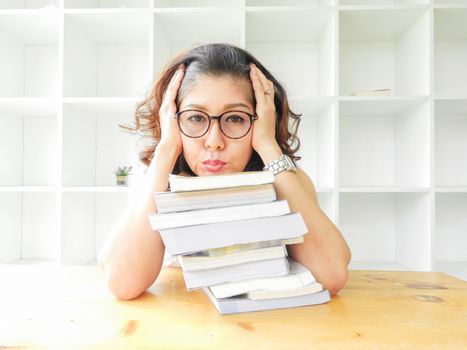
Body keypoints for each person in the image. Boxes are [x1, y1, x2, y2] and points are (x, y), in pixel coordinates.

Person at [98, 43, 351, 300]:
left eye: (234, 118)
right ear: (172, 119)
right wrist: (166, 148)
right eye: (196, 117)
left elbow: (331, 275)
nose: (214, 141)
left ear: (261, 119)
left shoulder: (285, 180)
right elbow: (123, 283)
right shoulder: (157, 184)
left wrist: (267, 145)